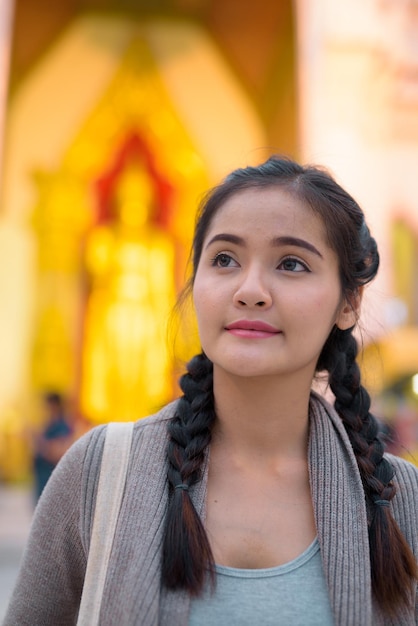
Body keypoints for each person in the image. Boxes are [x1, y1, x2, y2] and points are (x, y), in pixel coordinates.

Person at [4, 156, 418, 625]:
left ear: (349, 303)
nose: (250, 289)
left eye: (291, 263)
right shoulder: (97, 475)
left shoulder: (399, 502)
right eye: (224, 259)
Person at [31, 391, 74, 502]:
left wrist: (39, 440)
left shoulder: (62, 427)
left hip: (51, 481)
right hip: (41, 482)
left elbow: (58, 452)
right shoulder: (48, 426)